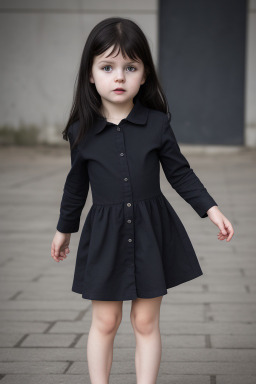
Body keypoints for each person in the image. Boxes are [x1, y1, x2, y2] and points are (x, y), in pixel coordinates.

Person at [51, 17, 234, 384]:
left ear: (144, 75)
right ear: (90, 75)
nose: (118, 77)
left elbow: (180, 173)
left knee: (145, 321)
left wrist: (211, 209)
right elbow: (76, 187)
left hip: (151, 234)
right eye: (107, 67)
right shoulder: (82, 132)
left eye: (129, 67)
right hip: (105, 238)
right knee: (106, 321)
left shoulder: (157, 124)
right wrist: (64, 230)